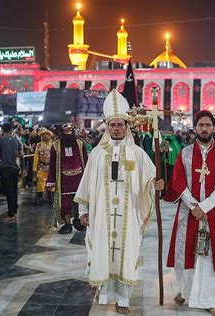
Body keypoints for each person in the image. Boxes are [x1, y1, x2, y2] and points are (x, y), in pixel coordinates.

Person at [74, 89, 164, 314]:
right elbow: (85, 184)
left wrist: (156, 185)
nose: (116, 128)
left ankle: (123, 300)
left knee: (127, 255)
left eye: (120, 124)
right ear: (107, 126)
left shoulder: (138, 154)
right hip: (102, 216)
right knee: (103, 254)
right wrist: (83, 210)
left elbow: (150, 180)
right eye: (112, 125)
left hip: (129, 215)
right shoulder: (96, 154)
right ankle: (105, 294)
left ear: (127, 126)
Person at [165, 110, 215, 316]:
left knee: (209, 256)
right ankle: (185, 291)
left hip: (214, 213)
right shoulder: (185, 153)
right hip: (188, 211)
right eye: (201, 125)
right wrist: (194, 206)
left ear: (214, 127)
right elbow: (178, 182)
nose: (204, 129)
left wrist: (205, 207)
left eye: (208, 125)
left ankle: (209, 300)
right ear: (195, 128)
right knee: (186, 252)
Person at [46, 123, 88, 234]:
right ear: (62, 132)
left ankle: (78, 221)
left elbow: (87, 162)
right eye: (66, 131)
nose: (69, 133)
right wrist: (51, 181)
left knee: (78, 201)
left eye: (71, 130)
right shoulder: (55, 145)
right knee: (65, 203)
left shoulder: (80, 143)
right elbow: (52, 164)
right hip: (63, 180)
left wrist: (89, 178)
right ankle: (67, 224)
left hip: (79, 178)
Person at [0, 123, 23, 220]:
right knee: (14, 189)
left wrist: (1, 156)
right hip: (15, 167)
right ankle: (14, 209)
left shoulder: (0, 140)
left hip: (6, 167)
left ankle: (11, 214)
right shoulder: (16, 140)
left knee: (9, 191)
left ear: (3, 130)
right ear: (11, 130)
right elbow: (21, 153)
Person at [33, 128, 52, 205]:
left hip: (51, 167)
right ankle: (40, 198)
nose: (45, 136)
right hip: (41, 166)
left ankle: (51, 198)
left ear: (50, 135)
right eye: (43, 135)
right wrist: (34, 168)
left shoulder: (54, 145)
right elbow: (36, 157)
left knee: (51, 182)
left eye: (47, 134)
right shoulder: (39, 145)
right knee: (40, 182)